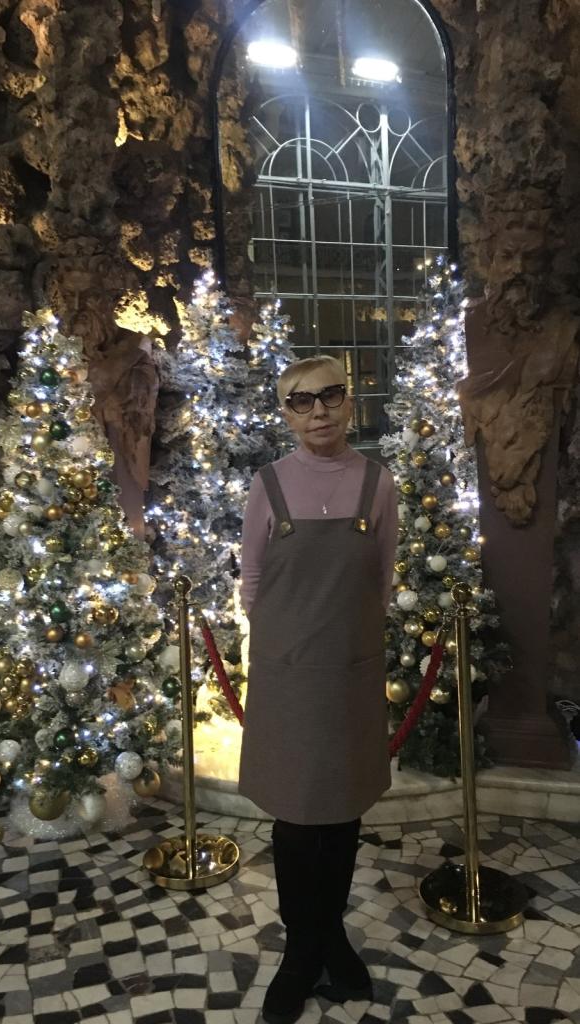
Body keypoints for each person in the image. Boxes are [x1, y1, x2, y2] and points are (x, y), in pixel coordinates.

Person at [239, 355, 398, 1024]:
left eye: (331, 396)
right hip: (288, 676)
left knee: (343, 814)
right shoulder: (268, 484)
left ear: (349, 402)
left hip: (351, 672)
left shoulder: (378, 484)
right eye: (301, 402)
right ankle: (302, 951)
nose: (319, 412)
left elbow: (383, 577)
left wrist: (344, 643)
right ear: (286, 414)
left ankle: (331, 935)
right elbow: (252, 581)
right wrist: (289, 644)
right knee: (297, 822)